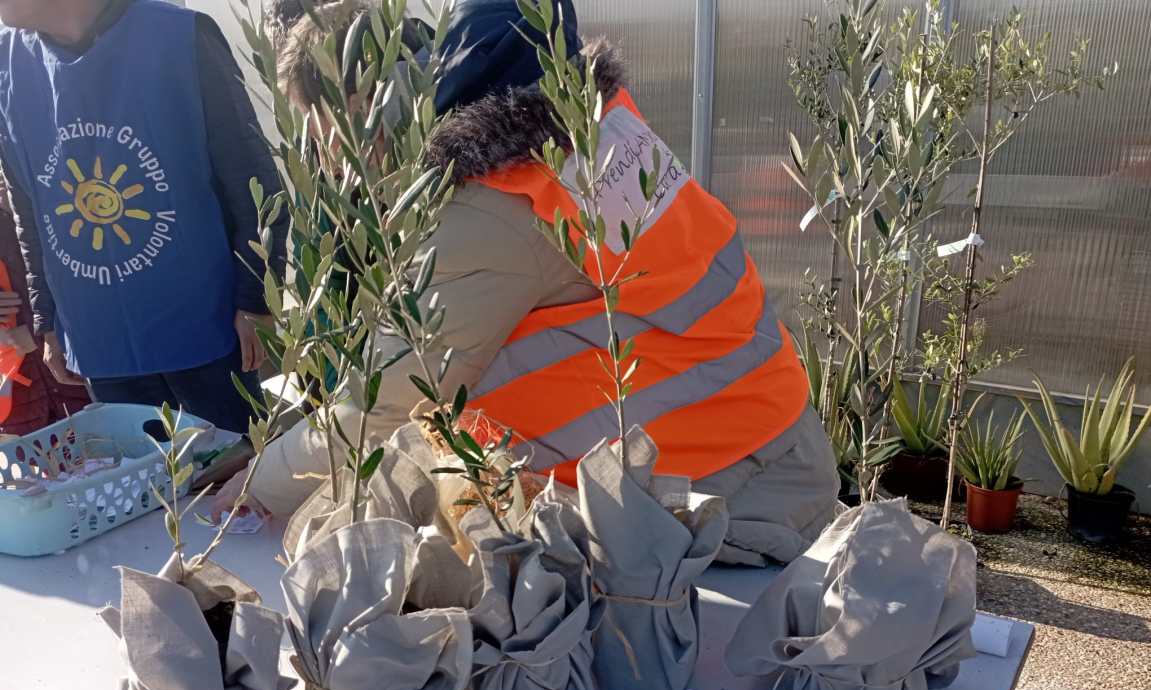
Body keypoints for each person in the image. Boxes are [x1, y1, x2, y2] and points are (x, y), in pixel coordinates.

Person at [217, 0, 839, 566]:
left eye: (321, 130)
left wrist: (261, 486)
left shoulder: (494, 206)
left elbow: (385, 401)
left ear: (364, 111)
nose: (324, 155)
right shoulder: (597, 130)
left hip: (724, 495)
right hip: (767, 439)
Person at [0, 0, 286, 434]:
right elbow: (29, 208)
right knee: (141, 476)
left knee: (240, 469)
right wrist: (49, 322)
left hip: (205, 332)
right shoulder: (8, 68)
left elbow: (252, 178)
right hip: (102, 348)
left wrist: (257, 298)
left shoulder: (181, 38)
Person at [0, 181, 90, 434]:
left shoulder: (48, 200)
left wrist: (39, 335)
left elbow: (89, 282)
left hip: (77, 376)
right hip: (16, 402)